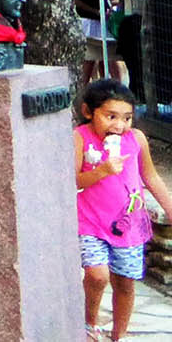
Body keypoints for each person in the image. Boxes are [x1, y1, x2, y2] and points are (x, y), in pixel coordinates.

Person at [78, 80, 172, 342]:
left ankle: (119, 334)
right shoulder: (81, 138)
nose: (119, 125)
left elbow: (150, 177)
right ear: (89, 112)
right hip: (91, 222)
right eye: (110, 117)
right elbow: (73, 181)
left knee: (126, 282)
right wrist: (102, 171)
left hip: (128, 225)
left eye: (127, 118)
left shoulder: (136, 140)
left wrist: (169, 208)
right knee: (97, 275)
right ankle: (89, 323)